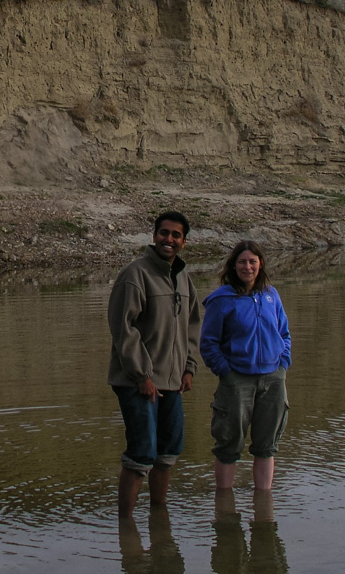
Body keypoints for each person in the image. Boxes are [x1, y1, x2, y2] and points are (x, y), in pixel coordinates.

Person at [108, 211, 201, 518]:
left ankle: (159, 520)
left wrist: (189, 367)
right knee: (142, 454)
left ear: (184, 242)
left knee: (168, 452)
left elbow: (192, 326)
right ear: (153, 236)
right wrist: (142, 375)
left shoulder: (185, 278)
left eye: (176, 235)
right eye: (164, 233)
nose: (168, 239)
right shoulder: (135, 274)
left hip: (173, 381)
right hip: (138, 382)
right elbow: (124, 329)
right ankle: (127, 527)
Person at [199, 240, 291, 491]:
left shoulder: (271, 295)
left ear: (260, 265)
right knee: (228, 446)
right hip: (236, 380)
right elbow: (208, 344)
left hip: (273, 379)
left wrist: (283, 363)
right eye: (242, 261)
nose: (247, 267)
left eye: (252, 261)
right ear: (233, 265)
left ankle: (264, 508)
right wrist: (226, 372)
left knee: (267, 446)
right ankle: (224, 504)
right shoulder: (220, 300)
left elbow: (284, 333)